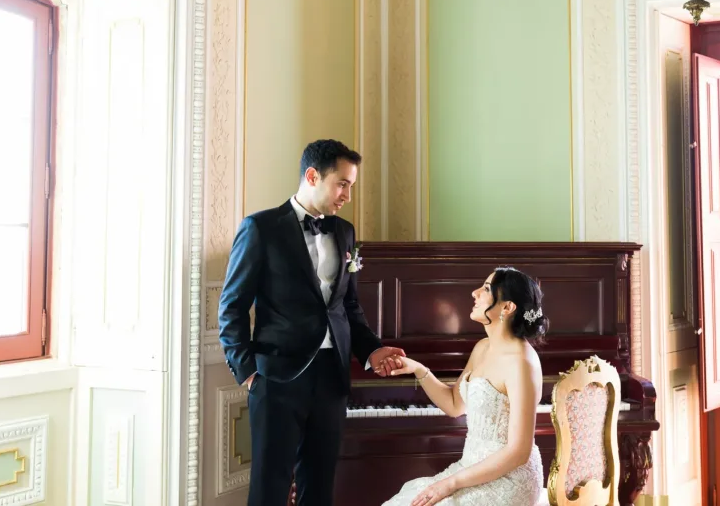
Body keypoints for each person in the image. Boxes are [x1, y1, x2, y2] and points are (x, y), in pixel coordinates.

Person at [218, 139, 405, 506]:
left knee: (319, 487)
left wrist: (372, 349)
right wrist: (249, 373)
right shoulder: (260, 228)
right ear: (312, 175)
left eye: (351, 185)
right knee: (269, 489)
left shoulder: (345, 232)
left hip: (331, 377)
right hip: (277, 378)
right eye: (343, 184)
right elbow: (232, 307)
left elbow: (348, 307)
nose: (347, 195)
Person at [381, 266, 550, 506]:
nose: (474, 293)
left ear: (507, 307)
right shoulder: (482, 347)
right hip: (470, 469)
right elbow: (453, 405)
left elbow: (518, 452)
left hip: (510, 480)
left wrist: (449, 484)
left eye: (486, 289)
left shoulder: (522, 361)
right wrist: (419, 370)